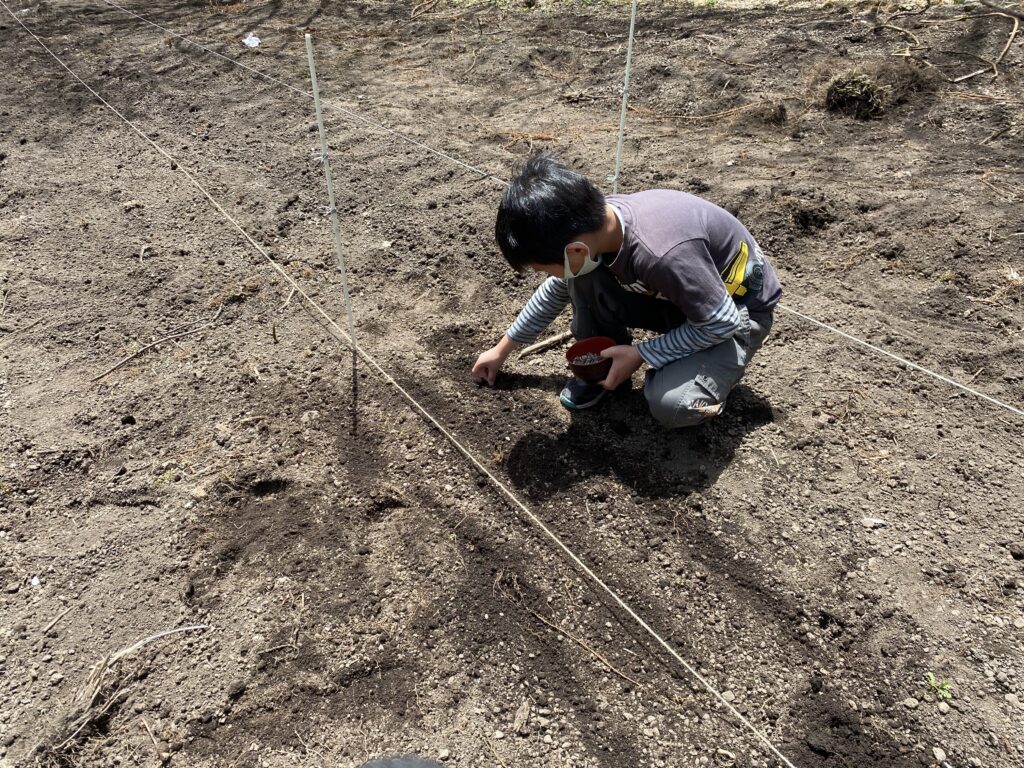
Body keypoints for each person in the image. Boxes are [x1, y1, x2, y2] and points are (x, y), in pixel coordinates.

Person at [471, 153, 782, 428]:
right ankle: (605, 371)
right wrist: (501, 350)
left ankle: (707, 387)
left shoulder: (661, 253)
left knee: (674, 405)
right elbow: (556, 290)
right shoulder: (599, 227)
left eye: (542, 268)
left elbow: (722, 323)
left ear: (575, 251)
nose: (546, 275)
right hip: (686, 298)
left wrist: (643, 354)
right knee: (583, 278)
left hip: (737, 314)